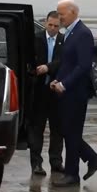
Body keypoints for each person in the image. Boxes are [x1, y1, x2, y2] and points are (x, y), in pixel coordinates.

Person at [51, 0, 97, 187]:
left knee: (71, 132)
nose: (59, 18)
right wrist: (57, 79)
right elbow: (67, 63)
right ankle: (92, 158)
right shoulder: (69, 33)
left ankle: (73, 174)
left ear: (73, 12)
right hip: (66, 91)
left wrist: (64, 84)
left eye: (61, 14)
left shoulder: (82, 34)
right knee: (68, 132)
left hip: (76, 93)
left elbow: (83, 66)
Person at [28, 11, 66, 176]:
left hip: (56, 90)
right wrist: (36, 69)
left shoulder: (63, 41)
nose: (52, 28)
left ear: (60, 26)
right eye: (50, 25)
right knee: (38, 128)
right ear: (45, 23)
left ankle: (56, 162)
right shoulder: (36, 39)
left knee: (57, 129)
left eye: (56, 26)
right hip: (39, 90)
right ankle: (36, 164)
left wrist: (48, 68)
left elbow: (62, 62)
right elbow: (30, 61)